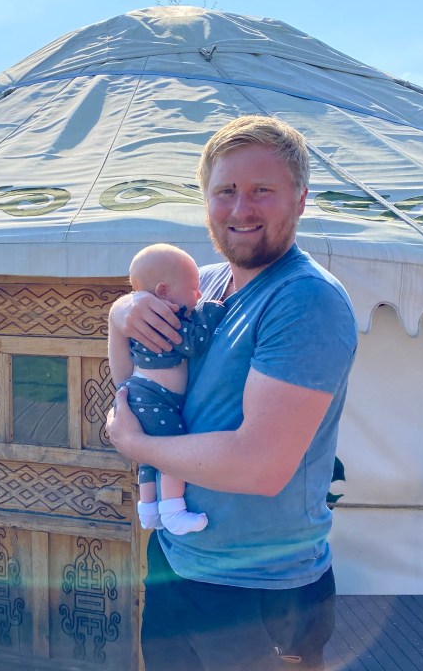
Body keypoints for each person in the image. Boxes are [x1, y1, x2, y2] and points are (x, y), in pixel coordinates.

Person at [105, 115, 358, 670]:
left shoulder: (304, 300)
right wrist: (119, 313)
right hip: (180, 560)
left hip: (259, 587)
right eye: (226, 191)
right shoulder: (209, 285)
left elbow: (259, 468)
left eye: (262, 190)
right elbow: (132, 377)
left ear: (300, 199)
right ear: (206, 200)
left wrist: (135, 445)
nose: (241, 209)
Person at [113, 243, 227, 535]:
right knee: (170, 451)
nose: (200, 296)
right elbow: (194, 341)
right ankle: (174, 511)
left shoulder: (149, 317)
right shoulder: (166, 321)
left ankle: (148, 508)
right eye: (193, 290)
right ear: (163, 290)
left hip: (143, 394)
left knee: (151, 459)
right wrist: (211, 312)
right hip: (155, 397)